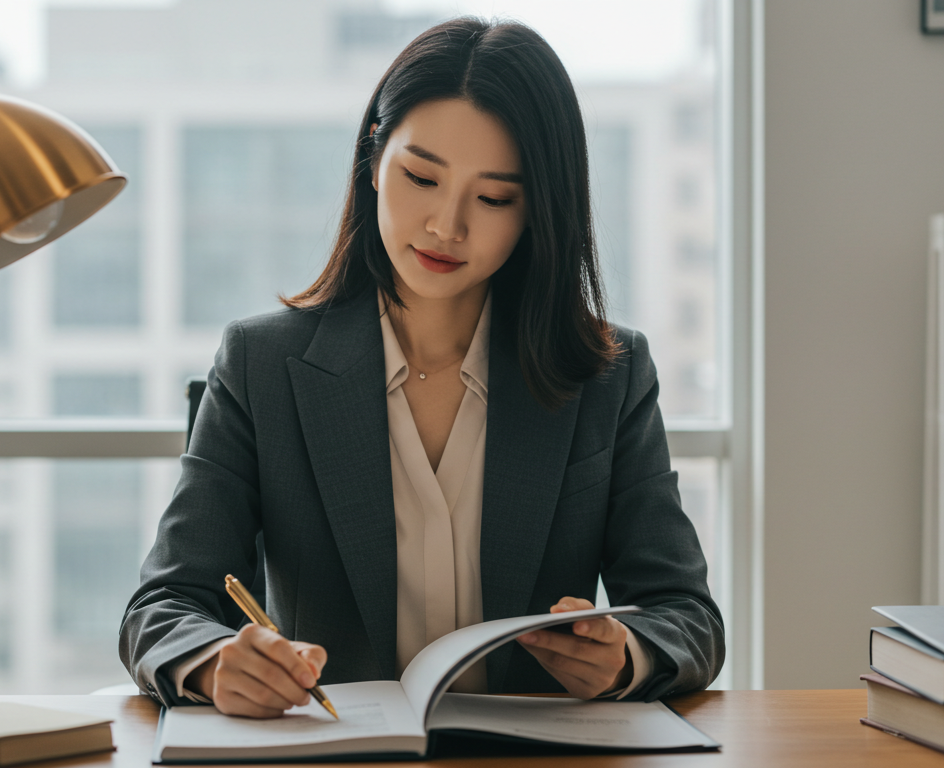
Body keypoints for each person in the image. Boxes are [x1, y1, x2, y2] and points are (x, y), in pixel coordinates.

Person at [120, 16, 724, 718]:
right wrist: (214, 663)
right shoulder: (261, 365)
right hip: (335, 760)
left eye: (494, 197)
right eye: (421, 177)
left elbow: (688, 615)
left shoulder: (608, 376)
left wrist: (626, 654)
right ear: (374, 161)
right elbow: (162, 605)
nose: (447, 225)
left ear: (537, 211)